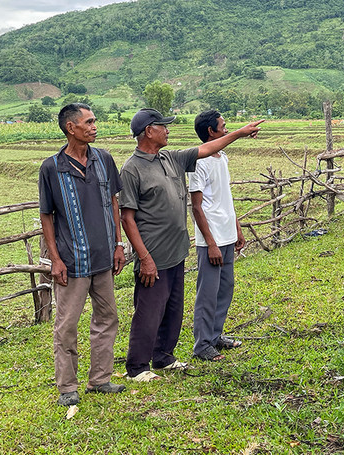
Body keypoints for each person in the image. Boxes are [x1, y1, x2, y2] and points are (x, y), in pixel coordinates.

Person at [119, 108, 263, 382]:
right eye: (164, 126)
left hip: (176, 250)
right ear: (149, 131)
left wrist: (239, 134)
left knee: (173, 308)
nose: (169, 130)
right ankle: (138, 367)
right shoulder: (132, 169)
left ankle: (164, 357)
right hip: (153, 254)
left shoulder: (171, 158)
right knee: (149, 310)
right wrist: (144, 257)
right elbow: (127, 217)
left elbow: (209, 148)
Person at [39, 103, 127, 406]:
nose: (94, 126)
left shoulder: (104, 159)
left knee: (107, 317)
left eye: (94, 121)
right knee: (67, 326)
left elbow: (113, 204)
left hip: (104, 257)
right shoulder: (52, 167)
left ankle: (100, 379)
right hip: (72, 261)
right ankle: (67, 387)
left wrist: (119, 244)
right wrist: (56, 259)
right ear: (70, 127)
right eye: (88, 122)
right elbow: (47, 216)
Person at [189, 110, 246, 362]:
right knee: (207, 292)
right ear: (211, 131)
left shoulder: (222, 158)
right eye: (223, 126)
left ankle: (215, 335)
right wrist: (210, 243)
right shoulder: (198, 163)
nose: (226, 128)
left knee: (225, 288)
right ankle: (202, 344)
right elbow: (196, 206)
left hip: (226, 234)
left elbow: (226, 198)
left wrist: (237, 228)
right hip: (211, 239)